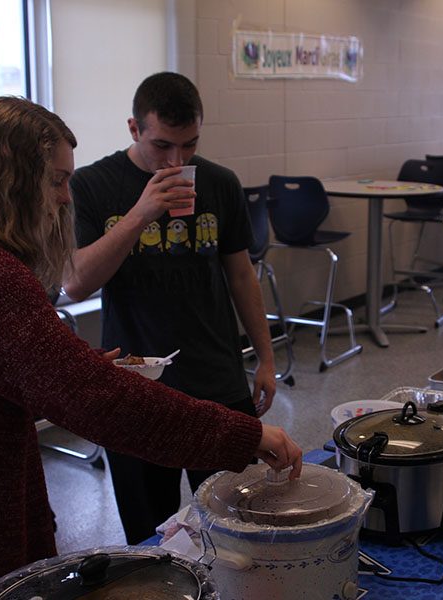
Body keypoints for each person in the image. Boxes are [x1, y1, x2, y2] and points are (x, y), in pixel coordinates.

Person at [0, 97, 302, 600]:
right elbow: (101, 403)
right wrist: (244, 435)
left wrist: (73, 369)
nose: (66, 198)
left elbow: (21, 371)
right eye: (57, 181)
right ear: (12, 181)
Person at [63, 71, 278, 544]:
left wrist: (264, 358)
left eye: (189, 145)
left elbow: (241, 275)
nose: (177, 161)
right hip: (137, 383)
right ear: (133, 129)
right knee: (150, 537)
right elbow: (76, 282)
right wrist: (143, 212)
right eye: (162, 146)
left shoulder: (219, 182)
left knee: (238, 527)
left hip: (216, 378)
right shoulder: (92, 185)